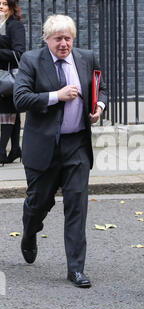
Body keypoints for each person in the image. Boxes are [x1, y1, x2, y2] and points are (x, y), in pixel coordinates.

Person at [13, 14, 107, 288]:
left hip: (76, 144)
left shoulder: (87, 57)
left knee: (76, 205)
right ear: (47, 39)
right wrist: (58, 95)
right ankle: (30, 231)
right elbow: (20, 98)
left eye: (68, 38)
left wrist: (98, 108)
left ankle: (76, 269)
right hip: (43, 147)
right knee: (39, 202)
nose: (64, 44)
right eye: (58, 39)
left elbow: (102, 89)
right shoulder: (32, 60)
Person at [0, 0, 25, 165]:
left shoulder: (14, 26)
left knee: (6, 110)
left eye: (4, 3)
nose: (0, 6)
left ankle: (1, 151)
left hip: (7, 77)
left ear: (11, 6)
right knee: (11, 112)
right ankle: (15, 149)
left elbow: (19, 52)